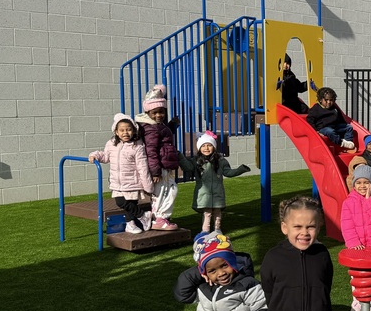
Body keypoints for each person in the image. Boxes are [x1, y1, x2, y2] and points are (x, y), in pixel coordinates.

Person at [88, 113, 153, 234]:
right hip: (117, 182)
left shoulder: (137, 146)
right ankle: (143, 215)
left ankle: (130, 224)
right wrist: (95, 155)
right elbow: (106, 156)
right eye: (122, 130)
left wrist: (147, 185)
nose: (125, 133)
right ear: (116, 132)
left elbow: (142, 166)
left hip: (132, 181)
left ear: (134, 131)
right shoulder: (112, 143)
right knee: (120, 201)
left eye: (128, 130)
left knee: (131, 203)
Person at [178, 130, 251, 233]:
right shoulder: (196, 161)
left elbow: (228, 172)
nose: (206, 148)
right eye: (203, 146)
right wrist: (180, 157)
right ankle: (205, 231)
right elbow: (187, 167)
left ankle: (217, 230)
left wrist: (241, 169)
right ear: (199, 147)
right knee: (207, 212)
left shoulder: (220, 161)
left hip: (217, 192)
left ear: (214, 147)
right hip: (203, 193)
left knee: (217, 211)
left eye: (209, 145)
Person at [341, 163, 371, 311]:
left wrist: (368, 199)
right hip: (357, 247)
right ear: (354, 184)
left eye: (366, 182)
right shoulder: (349, 202)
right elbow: (347, 225)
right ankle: (357, 302)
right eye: (359, 183)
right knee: (358, 276)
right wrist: (353, 243)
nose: (362, 186)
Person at [134, 84, 180, 231]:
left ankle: (159, 217)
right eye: (155, 112)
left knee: (169, 191)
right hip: (160, 166)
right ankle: (160, 218)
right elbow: (151, 150)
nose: (159, 115)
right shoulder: (151, 128)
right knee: (164, 192)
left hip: (164, 164)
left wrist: (172, 126)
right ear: (148, 112)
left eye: (161, 112)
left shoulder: (156, 125)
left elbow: (162, 138)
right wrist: (155, 171)